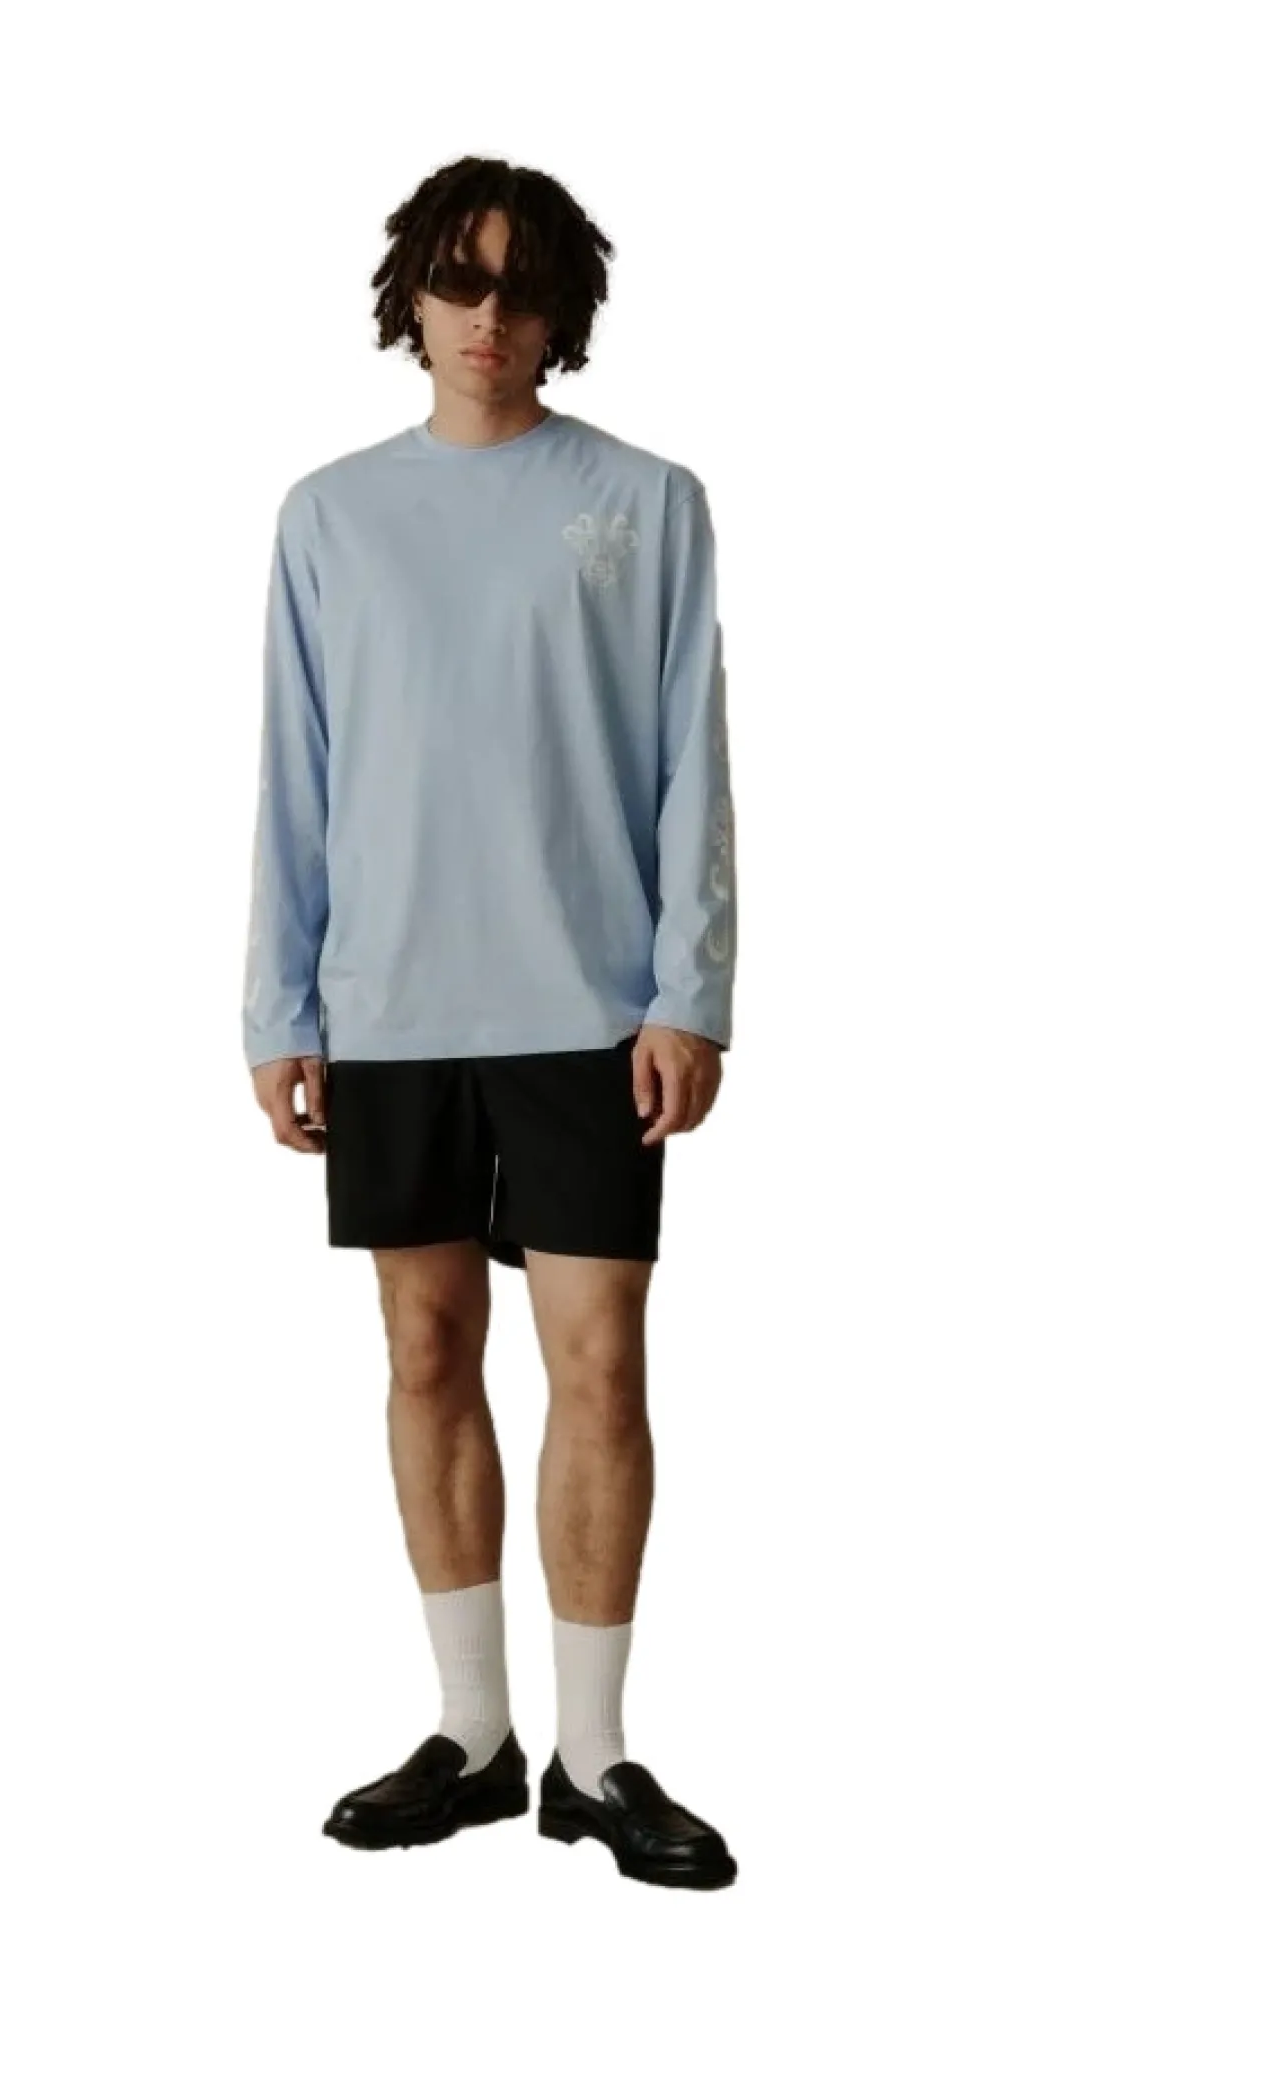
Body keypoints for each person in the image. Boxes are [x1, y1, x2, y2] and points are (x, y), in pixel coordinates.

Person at [243, 156, 738, 1889]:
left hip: (590, 1009)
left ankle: (595, 1757)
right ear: (413, 296)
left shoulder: (648, 502)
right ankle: (472, 1735)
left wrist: (691, 991)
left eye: (524, 289)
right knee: (426, 1352)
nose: (489, 317)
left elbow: (691, 761)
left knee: (600, 1362)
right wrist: (279, 1003)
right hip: (388, 1005)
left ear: (565, 313)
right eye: (460, 280)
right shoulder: (329, 516)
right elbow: (297, 774)